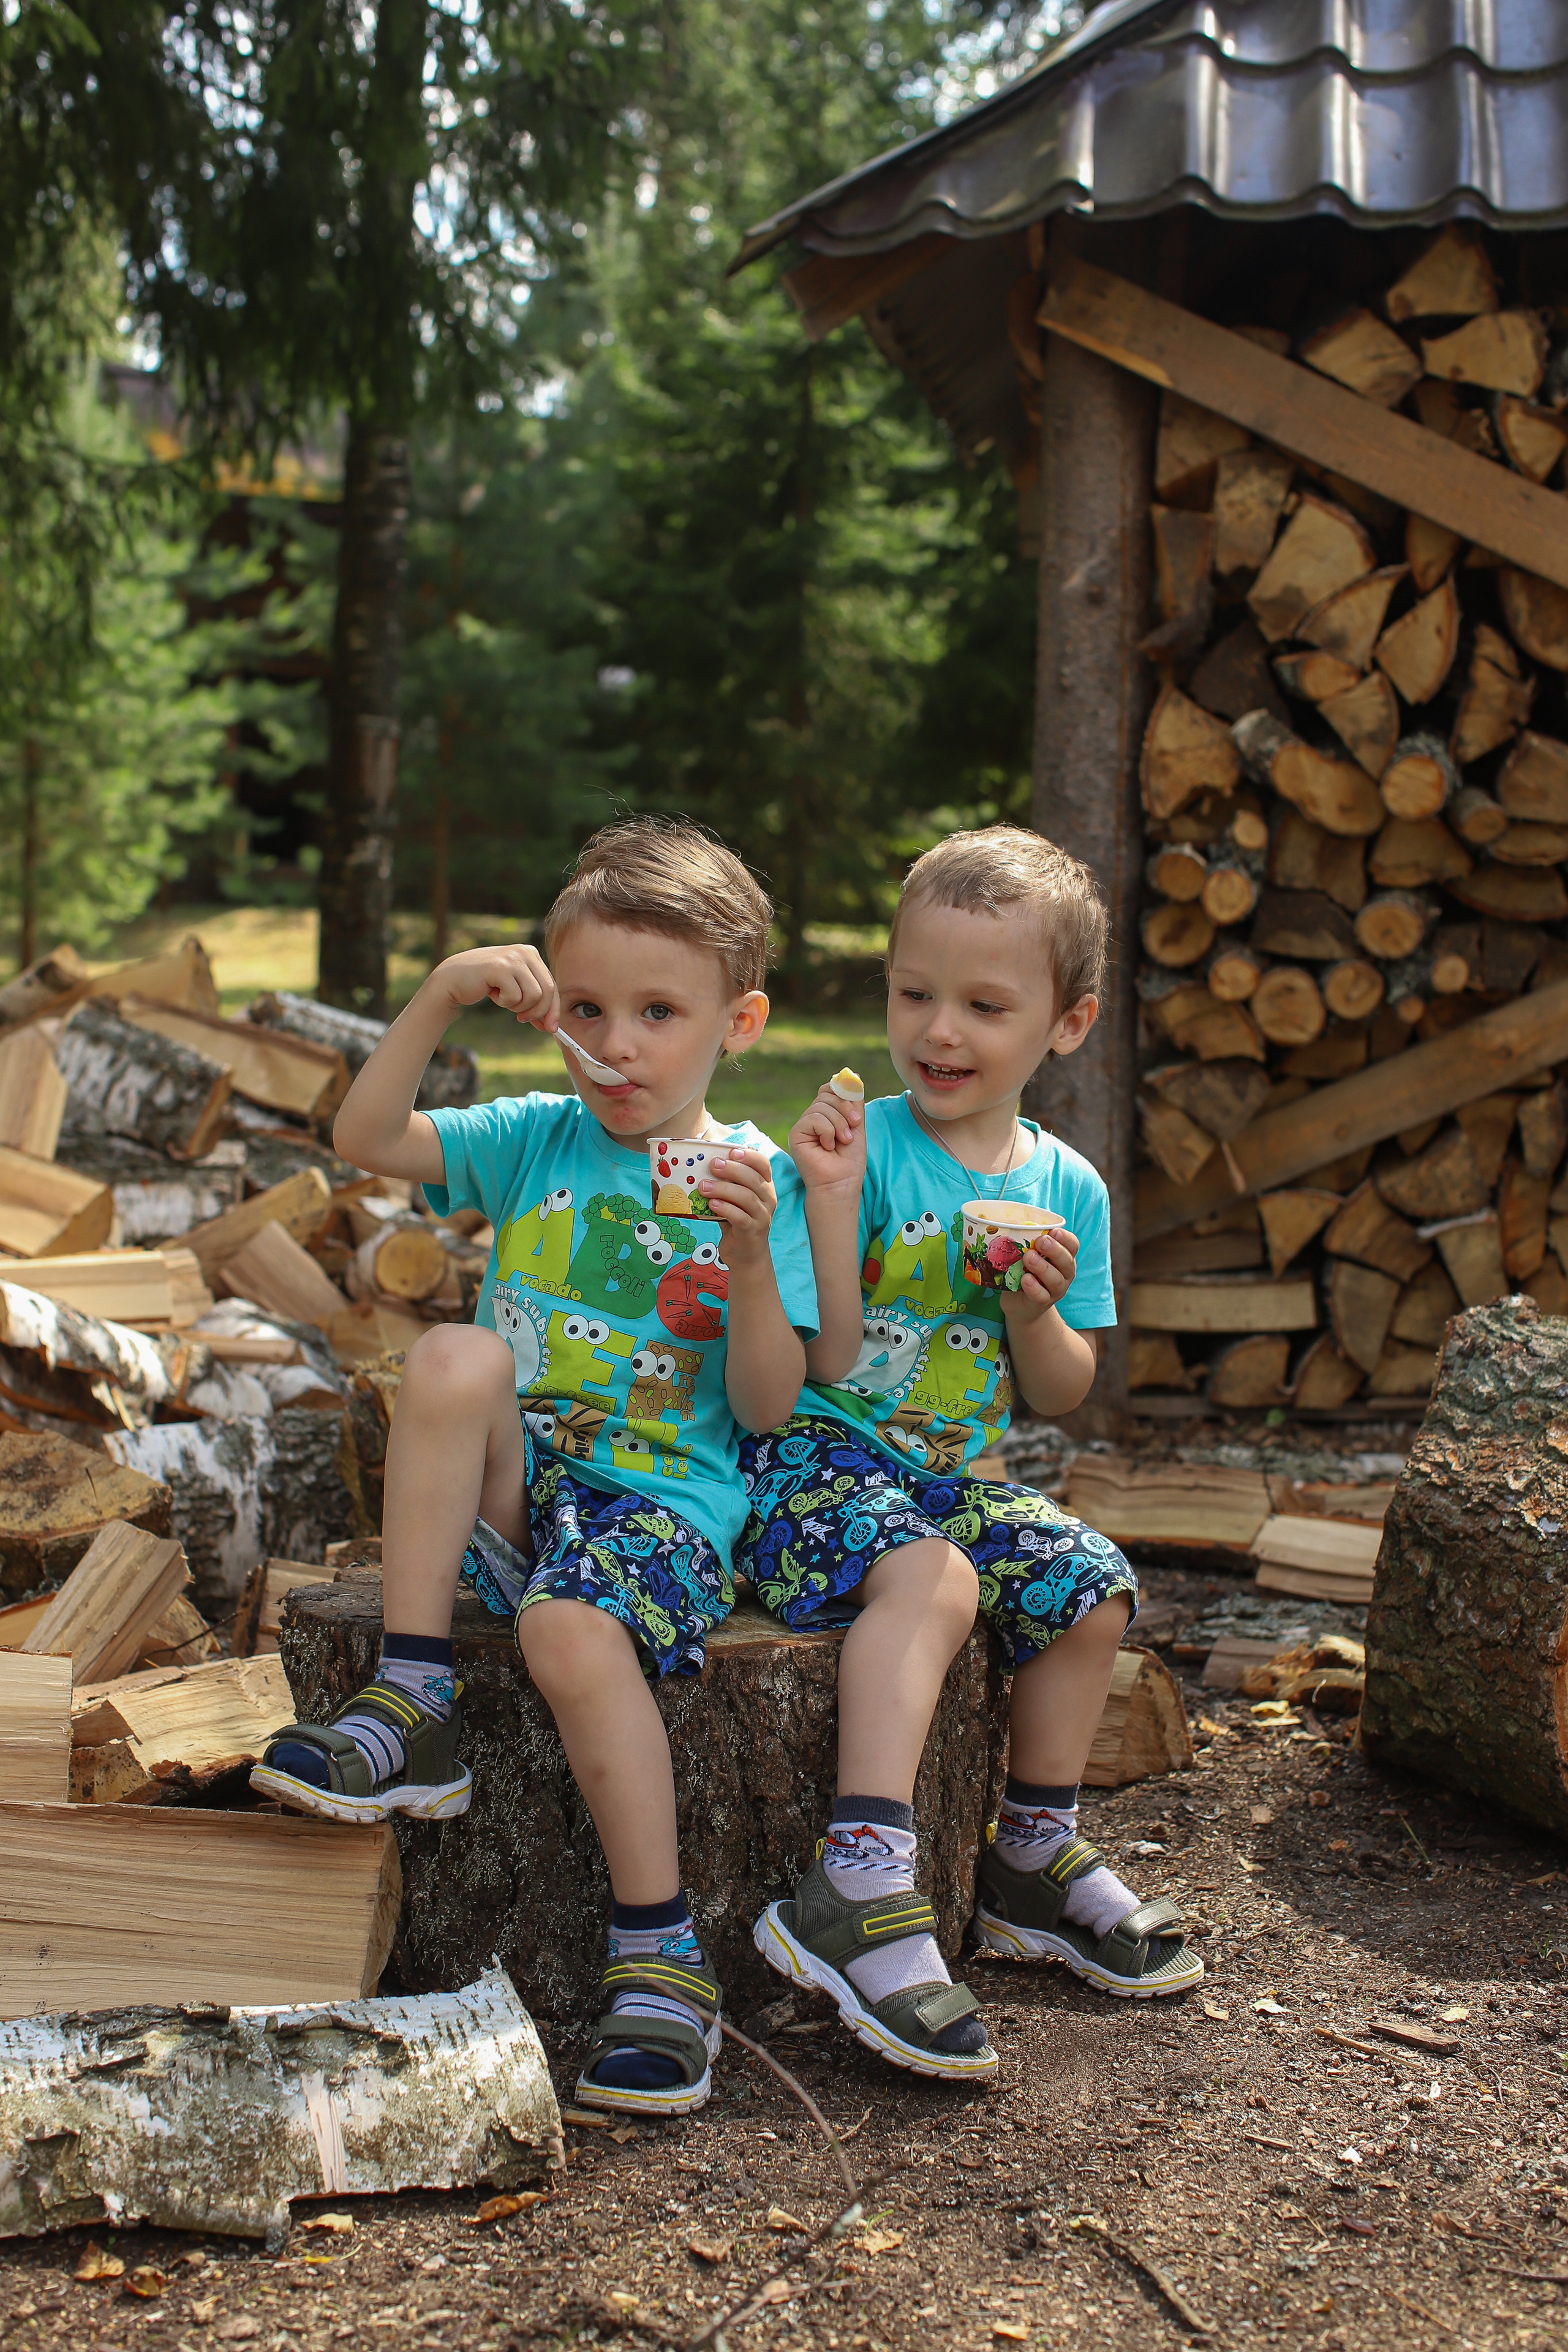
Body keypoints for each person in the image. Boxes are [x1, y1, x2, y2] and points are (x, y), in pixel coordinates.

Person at [253, 818, 817, 2119]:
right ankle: (411, 1702)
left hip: (663, 1509)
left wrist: (744, 1259)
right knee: (451, 1354)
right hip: (524, 1492)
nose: (615, 1047)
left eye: (659, 1013)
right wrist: (444, 988)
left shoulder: (756, 1182)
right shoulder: (531, 1138)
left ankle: (660, 1948)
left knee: (568, 1629)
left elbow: (767, 1405)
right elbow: (363, 1134)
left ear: (739, 1023)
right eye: (589, 1010)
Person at [737, 825, 1202, 2081]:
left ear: (1066, 1022)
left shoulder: (1067, 1191)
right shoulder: (850, 1155)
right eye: (912, 993)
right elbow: (814, 1369)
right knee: (933, 1576)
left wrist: (1029, 1307)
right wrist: (827, 1202)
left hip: (941, 1484)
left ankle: (1029, 1855)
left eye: (983, 1005)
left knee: (1088, 1582)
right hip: (807, 1469)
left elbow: (1060, 1392)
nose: (938, 1030)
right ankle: (861, 1873)